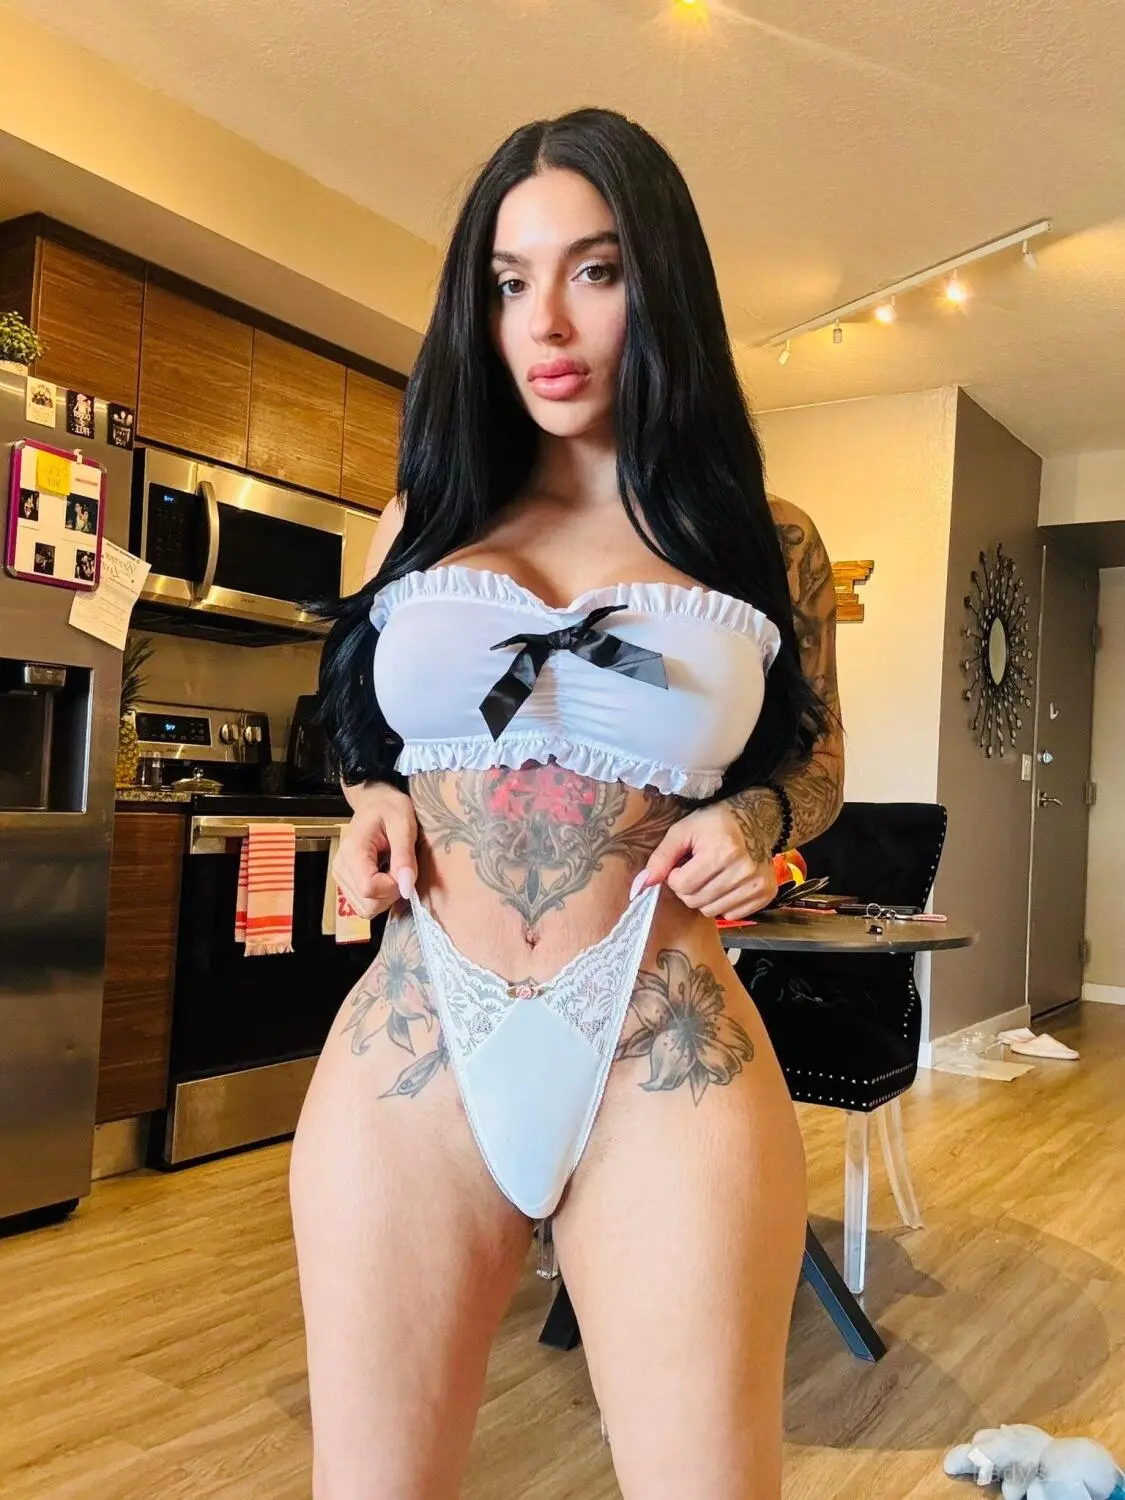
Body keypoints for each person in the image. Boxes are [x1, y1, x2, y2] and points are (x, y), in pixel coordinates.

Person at [290, 108, 843, 1500]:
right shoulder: (420, 519)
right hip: (416, 1043)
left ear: (662, 287)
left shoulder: (763, 540)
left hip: (663, 1041)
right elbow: (355, 726)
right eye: (508, 279)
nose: (545, 321)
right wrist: (368, 802)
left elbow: (817, 762)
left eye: (595, 271)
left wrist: (755, 826)